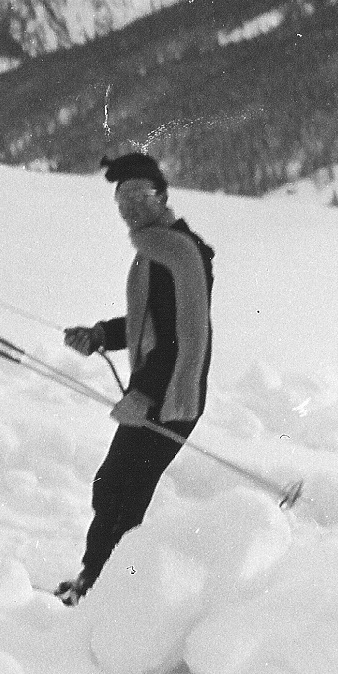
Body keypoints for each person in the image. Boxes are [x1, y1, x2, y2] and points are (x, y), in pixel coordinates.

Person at [55, 152, 214, 606]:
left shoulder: (181, 253)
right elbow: (150, 322)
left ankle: (105, 589)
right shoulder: (155, 249)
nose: (128, 205)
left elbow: (184, 334)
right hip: (156, 390)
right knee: (114, 486)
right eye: (121, 197)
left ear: (161, 197)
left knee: (124, 491)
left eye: (138, 195)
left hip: (171, 397)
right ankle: (96, 580)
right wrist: (102, 334)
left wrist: (144, 393)